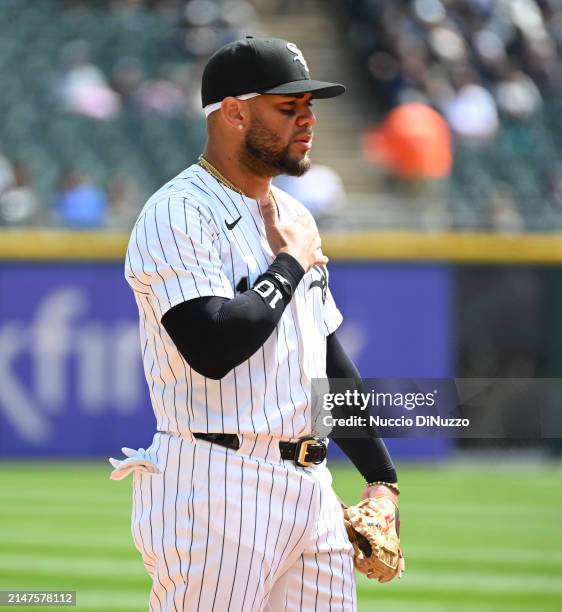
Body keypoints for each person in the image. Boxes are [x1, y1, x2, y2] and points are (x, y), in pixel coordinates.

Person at [110, 36, 399, 611]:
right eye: (287, 107)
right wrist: (288, 264)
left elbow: (327, 361)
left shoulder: (294, 214)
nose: (308, 119)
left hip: (310, 490)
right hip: (215, 482)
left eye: (310, 106)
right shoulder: (177, 212)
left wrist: (380, 478)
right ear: (234, 112)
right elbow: (212, 345)